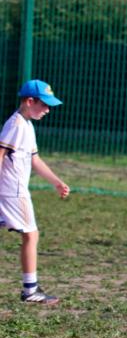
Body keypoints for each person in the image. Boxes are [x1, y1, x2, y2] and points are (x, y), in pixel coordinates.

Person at [0, 80, 70, 305]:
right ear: (30, 101)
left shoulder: (27, 125)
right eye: (44, 104)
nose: (48, 110)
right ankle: (30, 290)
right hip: (13, 192)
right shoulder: (16, 125)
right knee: (31, 235)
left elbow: (35, 159)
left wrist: (56, 182)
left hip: (10, 191)